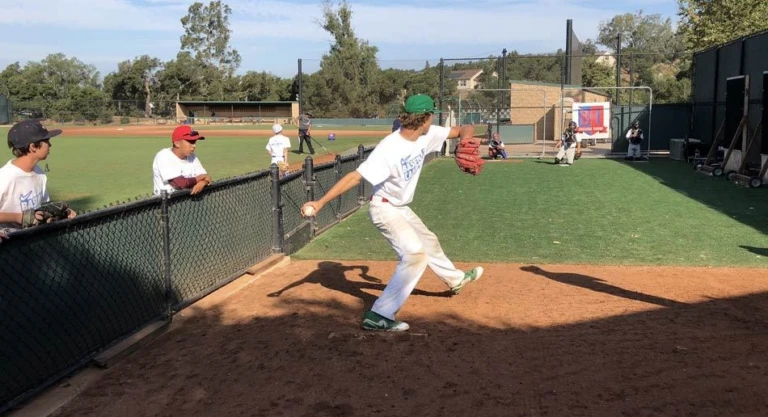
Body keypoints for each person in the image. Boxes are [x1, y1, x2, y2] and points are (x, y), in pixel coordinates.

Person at [300, 94, 484, 332]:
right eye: (432, 115)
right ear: (425, 117)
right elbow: (356, 177)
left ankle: (455, 279)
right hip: (384, 208)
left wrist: (464, 142)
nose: (433, 119)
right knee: (415, 255)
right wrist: (321, 202)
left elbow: (464, 129)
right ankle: (380, 314)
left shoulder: (426, 134)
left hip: (400, 206)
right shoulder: (390, 148)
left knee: (429, 241)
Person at [0, 120, 77, 234]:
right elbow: (25, 217)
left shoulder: (39, 173)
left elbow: (41, 209)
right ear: (33, 147)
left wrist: (58, 214)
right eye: (47, 141)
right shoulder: (5, 177)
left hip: (33, 241)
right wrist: (20, 217)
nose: (50, 145)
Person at [152, 125, 212, 196]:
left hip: (185, 202)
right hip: (166, 204)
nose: (194, 145)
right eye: (190, 141)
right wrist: (202, 177)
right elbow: (180, 184)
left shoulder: (192, 156)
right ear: (177, 143)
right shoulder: (164, 156)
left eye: (194, 142)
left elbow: (206, 177)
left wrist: (203, 182)